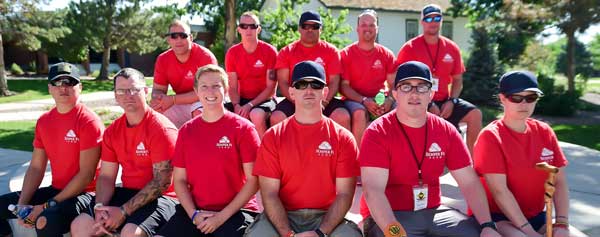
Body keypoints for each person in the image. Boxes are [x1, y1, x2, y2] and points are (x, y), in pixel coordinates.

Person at [360, 61, 501, 237]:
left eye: (421, 87)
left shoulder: (446, 130)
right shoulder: (377, 132)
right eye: (406, 87)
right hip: (389, 216)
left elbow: (469, 183)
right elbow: (373, 190)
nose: (414, 93)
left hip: (433, 211)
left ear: (431, 94)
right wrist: (394, 232)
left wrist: (488, 225)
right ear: (394, 94)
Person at [245, 61, 362, 237]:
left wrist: (321, 233)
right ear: (291, 92)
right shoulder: (273, 136)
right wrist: (287, 234)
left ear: (325, 92)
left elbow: (345, 194)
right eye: (301, 84)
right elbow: (269, 193)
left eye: (316, 85)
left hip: (326, 216)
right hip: (283, 215)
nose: (308, 90)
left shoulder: (343, 137)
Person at [70, 68, 178, 237]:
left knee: (130, 233)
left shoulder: (162, 129)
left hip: (164, 198)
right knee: (81, 226)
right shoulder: (113, 131)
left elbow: (162, 182)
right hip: (128, 192)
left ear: (145, 91)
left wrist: (123, 212)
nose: (128, 95)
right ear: (115, 95)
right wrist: (100, 207)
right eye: (121, 91)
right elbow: (106, 176)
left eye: (134, 89)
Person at [155, 64, 260, 237]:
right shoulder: (187, 131)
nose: (210, 92)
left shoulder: (243, 128)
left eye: (216, 86)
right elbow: (180, 180)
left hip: (235, 212)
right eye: (204, 86)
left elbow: (253, 181)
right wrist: (194, 215)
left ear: (225, 90)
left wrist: (220, 218)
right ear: (196, 91)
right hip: (196, 212)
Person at [0, 62, 103, 237]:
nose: (63, 87)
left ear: (80, 87)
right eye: (57, 82)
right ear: (50, 88)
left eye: (70, 82)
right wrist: (22, 204)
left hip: (86, 194)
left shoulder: (88, 121)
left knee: (46, 220)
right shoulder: (44, 121)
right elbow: (36, 167)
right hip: (57, 189)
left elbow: (86, 175)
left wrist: (47, 205)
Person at [473, 71, 571, 237]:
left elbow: (560, 182)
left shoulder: (545, 131)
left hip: (537, 216)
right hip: (498, 217)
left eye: (531, 97)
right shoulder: (490, 136)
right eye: (516, 98)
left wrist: (562, 223)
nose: (524, 103)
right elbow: (500, 192)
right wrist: (528, 231)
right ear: (503, 99)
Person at [396, 4, 482, 154]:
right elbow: (401, 82)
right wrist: (428, 104)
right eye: (429, 18)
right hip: (419, 100)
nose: (433, 22)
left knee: (475, 114)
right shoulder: (410, 48)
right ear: (422, 22)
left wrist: (452, 101)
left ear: (441, 21)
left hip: (446, 102)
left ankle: (473, 162)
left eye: (437, 18)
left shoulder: (452, 47)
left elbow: (457, 80)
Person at [270, 11, 350, 130]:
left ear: (320, 29)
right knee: (276, 117)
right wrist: (298, 102)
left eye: (315, 26)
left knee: (342, 116)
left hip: (323, 98)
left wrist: (324, 102)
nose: (310, 30)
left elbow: (334, 82)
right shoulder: (287, 52)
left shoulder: (331, 51)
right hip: (296, 99)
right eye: (305, 26)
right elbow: (283, 82)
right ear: (299, 29)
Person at [340, 9, 396, 143]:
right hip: (354, 100)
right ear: (357, 29)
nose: (368, 28)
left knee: (402, 109)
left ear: (377, 28)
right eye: (364, 25)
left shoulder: (386, 54)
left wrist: (389, 100)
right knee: (359, 113)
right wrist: (364, 100)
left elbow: (394, 84)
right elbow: (344, 87)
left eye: (372, 25)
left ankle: (396, 158)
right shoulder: (346, 54)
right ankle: (358, 160)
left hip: (380, 100)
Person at [151, 20, 218, 128]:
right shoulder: (163, 59)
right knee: (156, 112)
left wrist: (172, 99)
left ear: (191, 38)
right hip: (181, 102)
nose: (179, 40)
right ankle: (172, 143)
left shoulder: (205, 57)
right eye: (174, 36)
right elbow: (158, 89)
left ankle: (202, 144)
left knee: (199, 113)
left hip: (205, 101)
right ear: (169, 40)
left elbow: (208, 92)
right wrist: (157, 99)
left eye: (183, 35)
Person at [225, 11, 278, 138]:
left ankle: (265, 152)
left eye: (252, 26)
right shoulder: (232, 53)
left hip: (265, 100)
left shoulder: (270, 52)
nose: (248, 29)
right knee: (220, 113)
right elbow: (232, 87)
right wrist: (237, 105)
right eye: (244, 26)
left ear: (258, 29)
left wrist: (250, 105)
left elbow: (271, 89)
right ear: (239, 29)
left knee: (256, 114)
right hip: (241, 100)